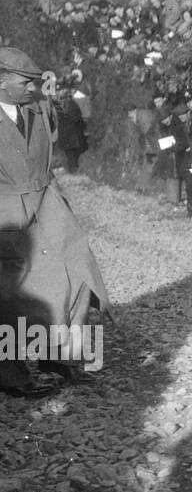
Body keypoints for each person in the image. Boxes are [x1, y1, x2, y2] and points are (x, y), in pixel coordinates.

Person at [0, 47, 109, 392]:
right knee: (14, 293)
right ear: (1, 82)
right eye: (25, 82)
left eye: (35, 82)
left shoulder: (35, 110)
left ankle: (59, 355)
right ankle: (11, 376)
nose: (33, 88)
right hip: (6, 213)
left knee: (78, 271)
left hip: (46, 203)